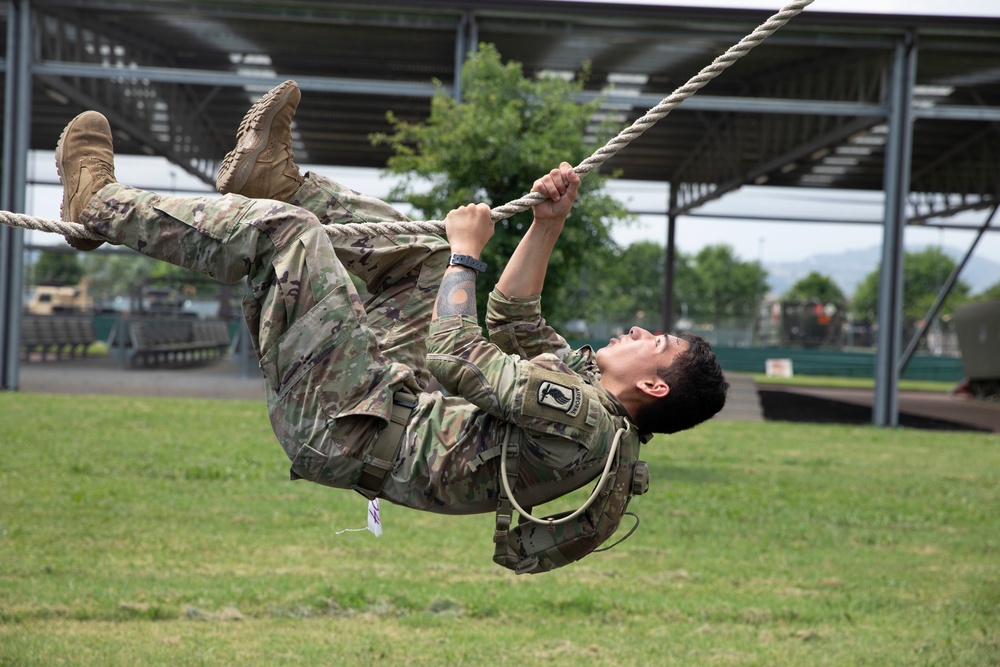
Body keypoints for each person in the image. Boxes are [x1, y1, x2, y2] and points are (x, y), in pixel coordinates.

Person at [56, 80, 727, 520]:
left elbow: (459, 351)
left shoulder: (583, 419)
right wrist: (547, 225)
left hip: (343, 425)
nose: (641, 329)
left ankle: (101, 204)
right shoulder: (586, 389)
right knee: (433, 259)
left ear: (653, 385)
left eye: (657, 341)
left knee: (295, 240)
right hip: (379, 394)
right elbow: (511, 319)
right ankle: (278, 182)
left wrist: (472, 252)